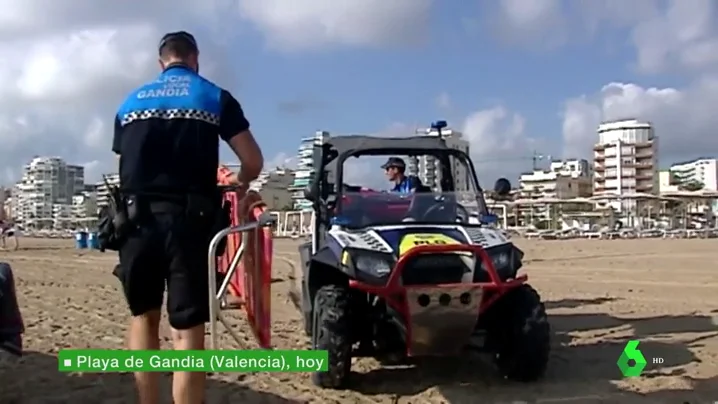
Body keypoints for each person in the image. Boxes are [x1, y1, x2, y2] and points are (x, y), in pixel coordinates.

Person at [112, 31, 263, 404]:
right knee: (187, 333)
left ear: (161, 62)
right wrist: (239, 185)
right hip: (189, 224)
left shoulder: (129, 102)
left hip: (135, 223)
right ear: (195, 60)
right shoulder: (213, 96)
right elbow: (253, 162)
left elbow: (127, 160)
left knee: (144, 319)